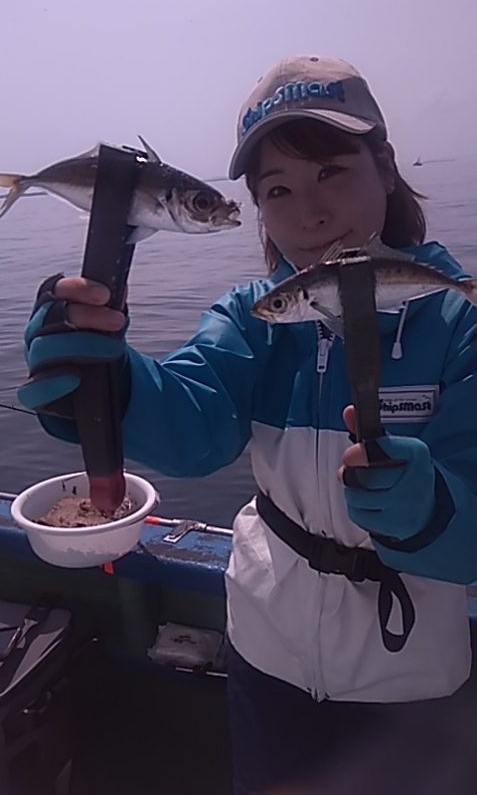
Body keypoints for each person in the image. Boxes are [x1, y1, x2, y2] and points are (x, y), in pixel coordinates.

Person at [19, 56, 477, 794]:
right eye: (277, 189)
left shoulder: (457, 319)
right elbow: (195, 426)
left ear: (386, 169)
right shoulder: (253, 316)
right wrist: (107, 386)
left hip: (412, 681)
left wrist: (431, 510)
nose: (310, 212)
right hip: (264, 653)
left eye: (332, 171)